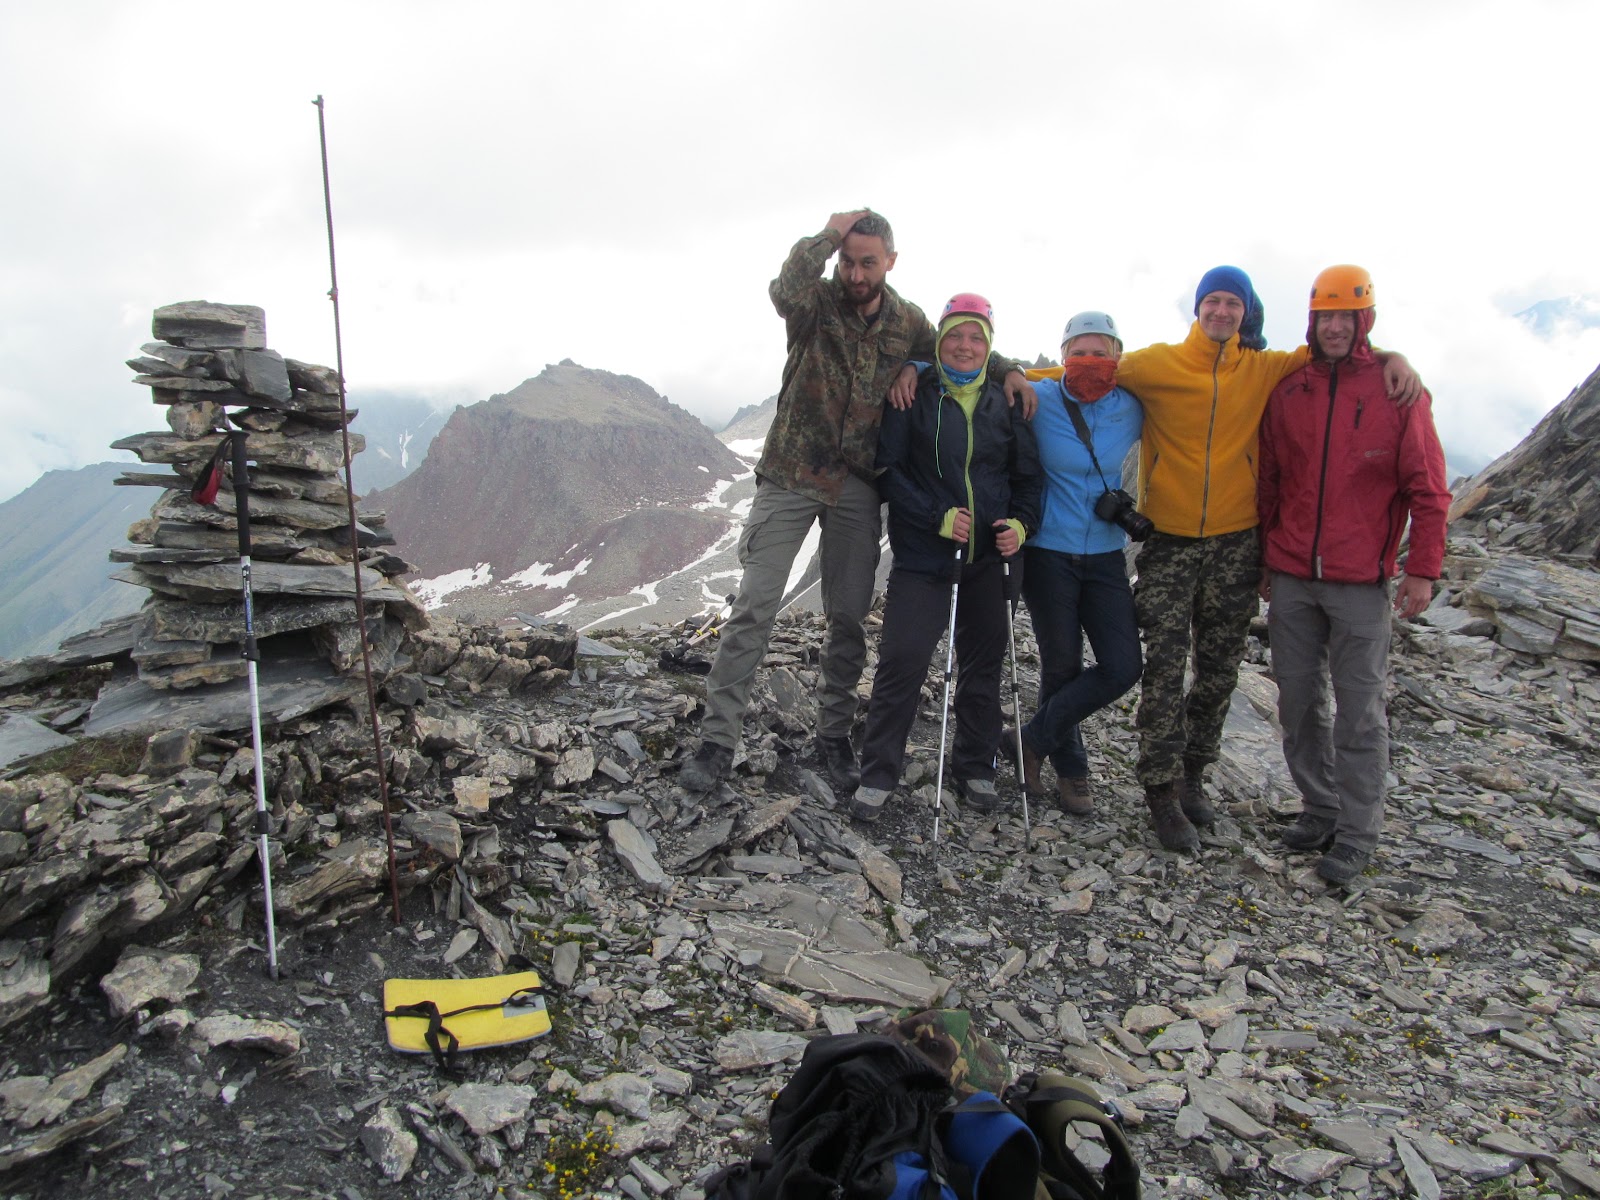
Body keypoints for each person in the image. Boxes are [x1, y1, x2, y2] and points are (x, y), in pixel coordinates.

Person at [679, 211, 1034, 796]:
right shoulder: (814, 303)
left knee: (847, 615)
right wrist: (826, 233)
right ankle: (718, 741)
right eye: (848, 260)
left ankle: (834, 735)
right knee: (754, 606)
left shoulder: (908, 322)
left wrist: (1010, 370)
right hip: (792, 473)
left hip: (858, 485)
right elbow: (783, 288)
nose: (856, 272)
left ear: (890, 261)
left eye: (868, 261)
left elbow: (959, 349)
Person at [1110, 265, 1422, 851]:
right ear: (1198, 308)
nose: (1222, 312)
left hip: (1237, 542)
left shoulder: (1267, 368)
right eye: (1213, 301)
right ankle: (1158, 791)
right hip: (1170, 543)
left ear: (1245, 312)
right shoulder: (1156, 365)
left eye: (1233, 303)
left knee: (1220, 669)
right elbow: (1086, 370)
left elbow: (1339, 355)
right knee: (1164, 668)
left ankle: (1193, 776)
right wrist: (1010, 375)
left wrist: (1391, 357)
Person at [1257, 265, 1449, 885]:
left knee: (1360, 711)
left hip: (1362, 582)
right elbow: (1271, 483)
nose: (1334, 327)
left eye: (1346, 316)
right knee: (1298, 700)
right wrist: (1265, 558)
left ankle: (1359, 833)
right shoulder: (1290, 392)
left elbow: (1429, 489)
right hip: (1290, 576)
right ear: (1312, 322)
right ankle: (1320, 807)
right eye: (1324, 316)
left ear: (1364, 321)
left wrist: (1421, 571)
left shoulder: (1398, 393)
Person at [850, 294, 1040, 821]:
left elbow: (1028, 480)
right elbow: (888, 468)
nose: (964, 345)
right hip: (925, 557)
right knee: (903, 659)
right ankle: (879, 773)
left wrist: (1021, 526)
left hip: (993, 557)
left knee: (983, 665)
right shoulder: (914, 393)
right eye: (955, 334)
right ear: (939, 339)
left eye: (976, 336)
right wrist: (937, 515)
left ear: (989, 345)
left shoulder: (1009, 399)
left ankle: (975, 765)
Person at [1012, 312, 1144, 816]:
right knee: (1062, 664)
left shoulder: (1131, 408)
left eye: (1102, 352)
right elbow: (993, 372)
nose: (1091, 362)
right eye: (1080, 352)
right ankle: (1073, 771)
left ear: (1118, 355)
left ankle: (1029, 740)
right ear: (1063, 354)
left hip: (1107, 553)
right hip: (1048, 552)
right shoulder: (1037, 398)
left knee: (1122, 665)